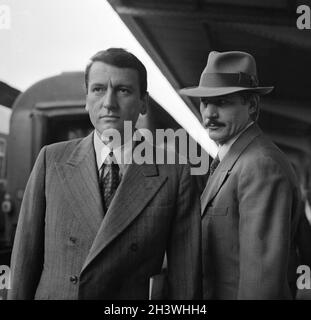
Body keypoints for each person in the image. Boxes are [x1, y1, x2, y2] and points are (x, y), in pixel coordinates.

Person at [8, 48, 201, 300]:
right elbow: (24, 259)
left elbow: (185, 277)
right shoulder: (51, 160)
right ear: (87, 98)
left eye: (123, 90)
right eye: (98, 89)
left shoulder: (174, 172)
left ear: (143, 102)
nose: (109, 103)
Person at [180, 51, 302, 299]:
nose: (209, 114)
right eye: (205, 102)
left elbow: (261, 283)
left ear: (252, 105)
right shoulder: (235, 160)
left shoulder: (260, 166)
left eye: (223, 102)